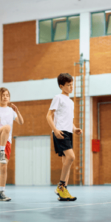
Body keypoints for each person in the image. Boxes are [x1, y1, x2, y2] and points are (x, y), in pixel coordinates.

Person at [46, 73, 82, 201]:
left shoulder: (71, 102)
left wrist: (74, 128)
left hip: (68, 132)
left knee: (66, 162)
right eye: (68, 85)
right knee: (71, 157)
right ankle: (61, 186)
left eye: (72, 84)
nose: (71, 87)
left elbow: (67, 119)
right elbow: (49, 116)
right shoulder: (58, 98)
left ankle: (63, 192)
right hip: (60, 132)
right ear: (61, 86)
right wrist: (55, 130)